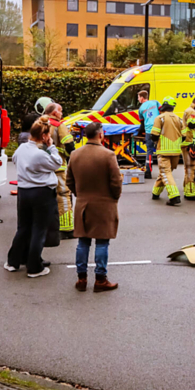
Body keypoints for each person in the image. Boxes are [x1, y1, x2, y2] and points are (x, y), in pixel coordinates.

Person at [66, 122, 122, 293]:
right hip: (104, 204)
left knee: (83, 242)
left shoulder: (75, 154)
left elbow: (69, 181)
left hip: (83, 203)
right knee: (102, 242)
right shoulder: (108, 155)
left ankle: (81, 278)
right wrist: (114, 197)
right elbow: (116, 181)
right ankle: (100, 279)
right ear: (100, 135)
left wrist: (80, 195)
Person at [6, 119, 63, 278]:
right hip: (42, 193)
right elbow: (57, 163)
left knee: (23, 228)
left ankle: (13, 261)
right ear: (44, 136)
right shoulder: (39, 154)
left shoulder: (21, 149)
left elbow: (15, 160)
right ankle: (34, 267)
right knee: (39, 229)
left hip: (24, 192)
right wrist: (51, 146)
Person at [44, 102, 77, 239]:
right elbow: (69, 145)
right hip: (58, 167)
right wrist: (70, 157)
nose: (62, 113)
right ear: (54, 113)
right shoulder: (58, 125)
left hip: (40, 167)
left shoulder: (39, 124)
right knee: (63, 195)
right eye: (60, 110)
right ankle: (67, 229)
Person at [150, 96, 183, 206]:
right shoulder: (179, 119)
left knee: (165, 172)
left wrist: (156, 141)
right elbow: (184, 135)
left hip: (163, 151)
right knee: (165, 172)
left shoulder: (160, 118)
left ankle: (174, 196)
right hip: (176, 152)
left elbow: (154, 135)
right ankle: (155, 193)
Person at [137, 90, 160, 179]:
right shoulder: (156, 102)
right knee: (160, 150)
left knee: (149, 151)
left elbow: (142, 124)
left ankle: (148, 171)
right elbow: (162, 112)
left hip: (149, 131)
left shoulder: (141, 109)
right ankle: (163, 170)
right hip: (158, 130)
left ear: (142, 98)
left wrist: (139, 132)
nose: (138, 99)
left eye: (138, 97)